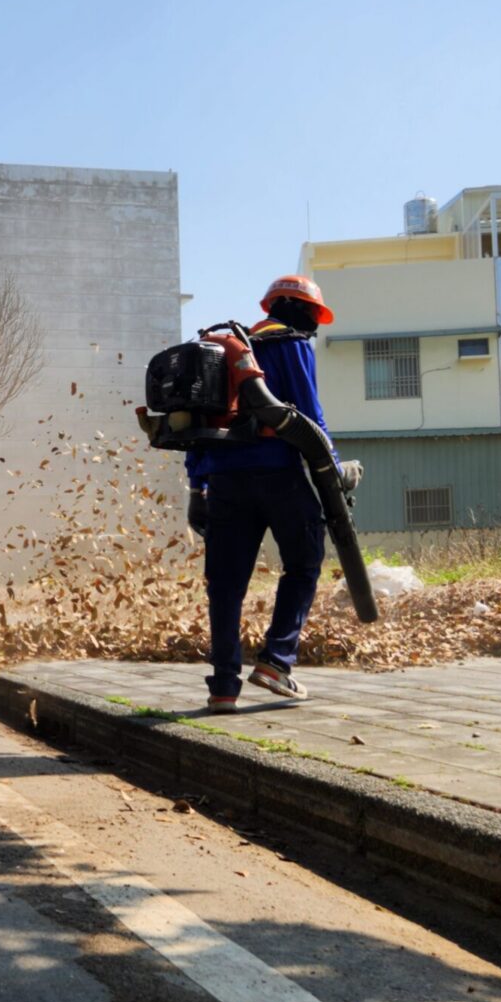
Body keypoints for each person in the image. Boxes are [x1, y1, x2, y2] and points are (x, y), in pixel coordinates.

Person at [185, 275, 351, 713]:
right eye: (314, 314)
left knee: (225, 585)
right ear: (301, 310)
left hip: (223, 481)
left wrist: (196, 488)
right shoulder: (290, 344)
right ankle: (276, 662)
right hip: (277, 474)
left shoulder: (222, 351)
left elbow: (197, 427)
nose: (314, 323)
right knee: (303, 562)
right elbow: (308, 417)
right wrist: (331, 468)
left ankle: (223, 686)